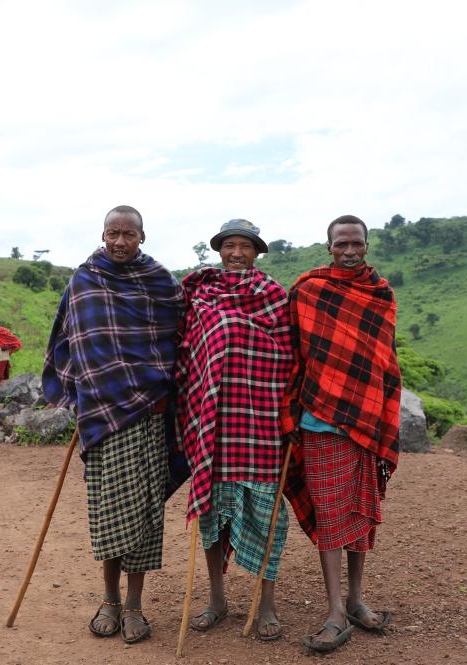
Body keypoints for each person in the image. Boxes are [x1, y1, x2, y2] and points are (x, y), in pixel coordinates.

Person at [42, 205, 183, 645]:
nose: (120, 241)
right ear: (102, 236)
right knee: (108, 514)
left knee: (144, 513)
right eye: (112, 233)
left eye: (128, 234)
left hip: (150, 415)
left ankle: (136, 604)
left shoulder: (159, 282)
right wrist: (77, 392)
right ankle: (109, 599)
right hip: (103, 416)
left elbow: (183, 331)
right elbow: (68, 340)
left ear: (143, 237)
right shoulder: (85, 280)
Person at [282, 215, 401, 653]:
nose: (349, 251)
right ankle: (334, 609)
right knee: (332, 515)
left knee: (360, 511)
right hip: (319, 422)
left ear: (367, 245)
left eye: (356, 244)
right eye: (341, 244)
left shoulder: (381, 294)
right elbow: (291, 350)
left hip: (367, 422)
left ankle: (355, 600)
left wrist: (383, 412)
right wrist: (288, 410)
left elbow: (384, 360)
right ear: (328, 247)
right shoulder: (310, 290)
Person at [177, 219, 292, 641]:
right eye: (230, 246)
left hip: (261, 423)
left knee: (267, 516)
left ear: (257, 252)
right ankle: (216, 599)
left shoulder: (274, 295)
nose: (237, 253)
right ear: (219, 250)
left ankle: (266, 605)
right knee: (211, 513)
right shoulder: (201, 293)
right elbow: (188, 349)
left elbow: (287, 354)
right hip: (212, 421)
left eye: (245, 246)